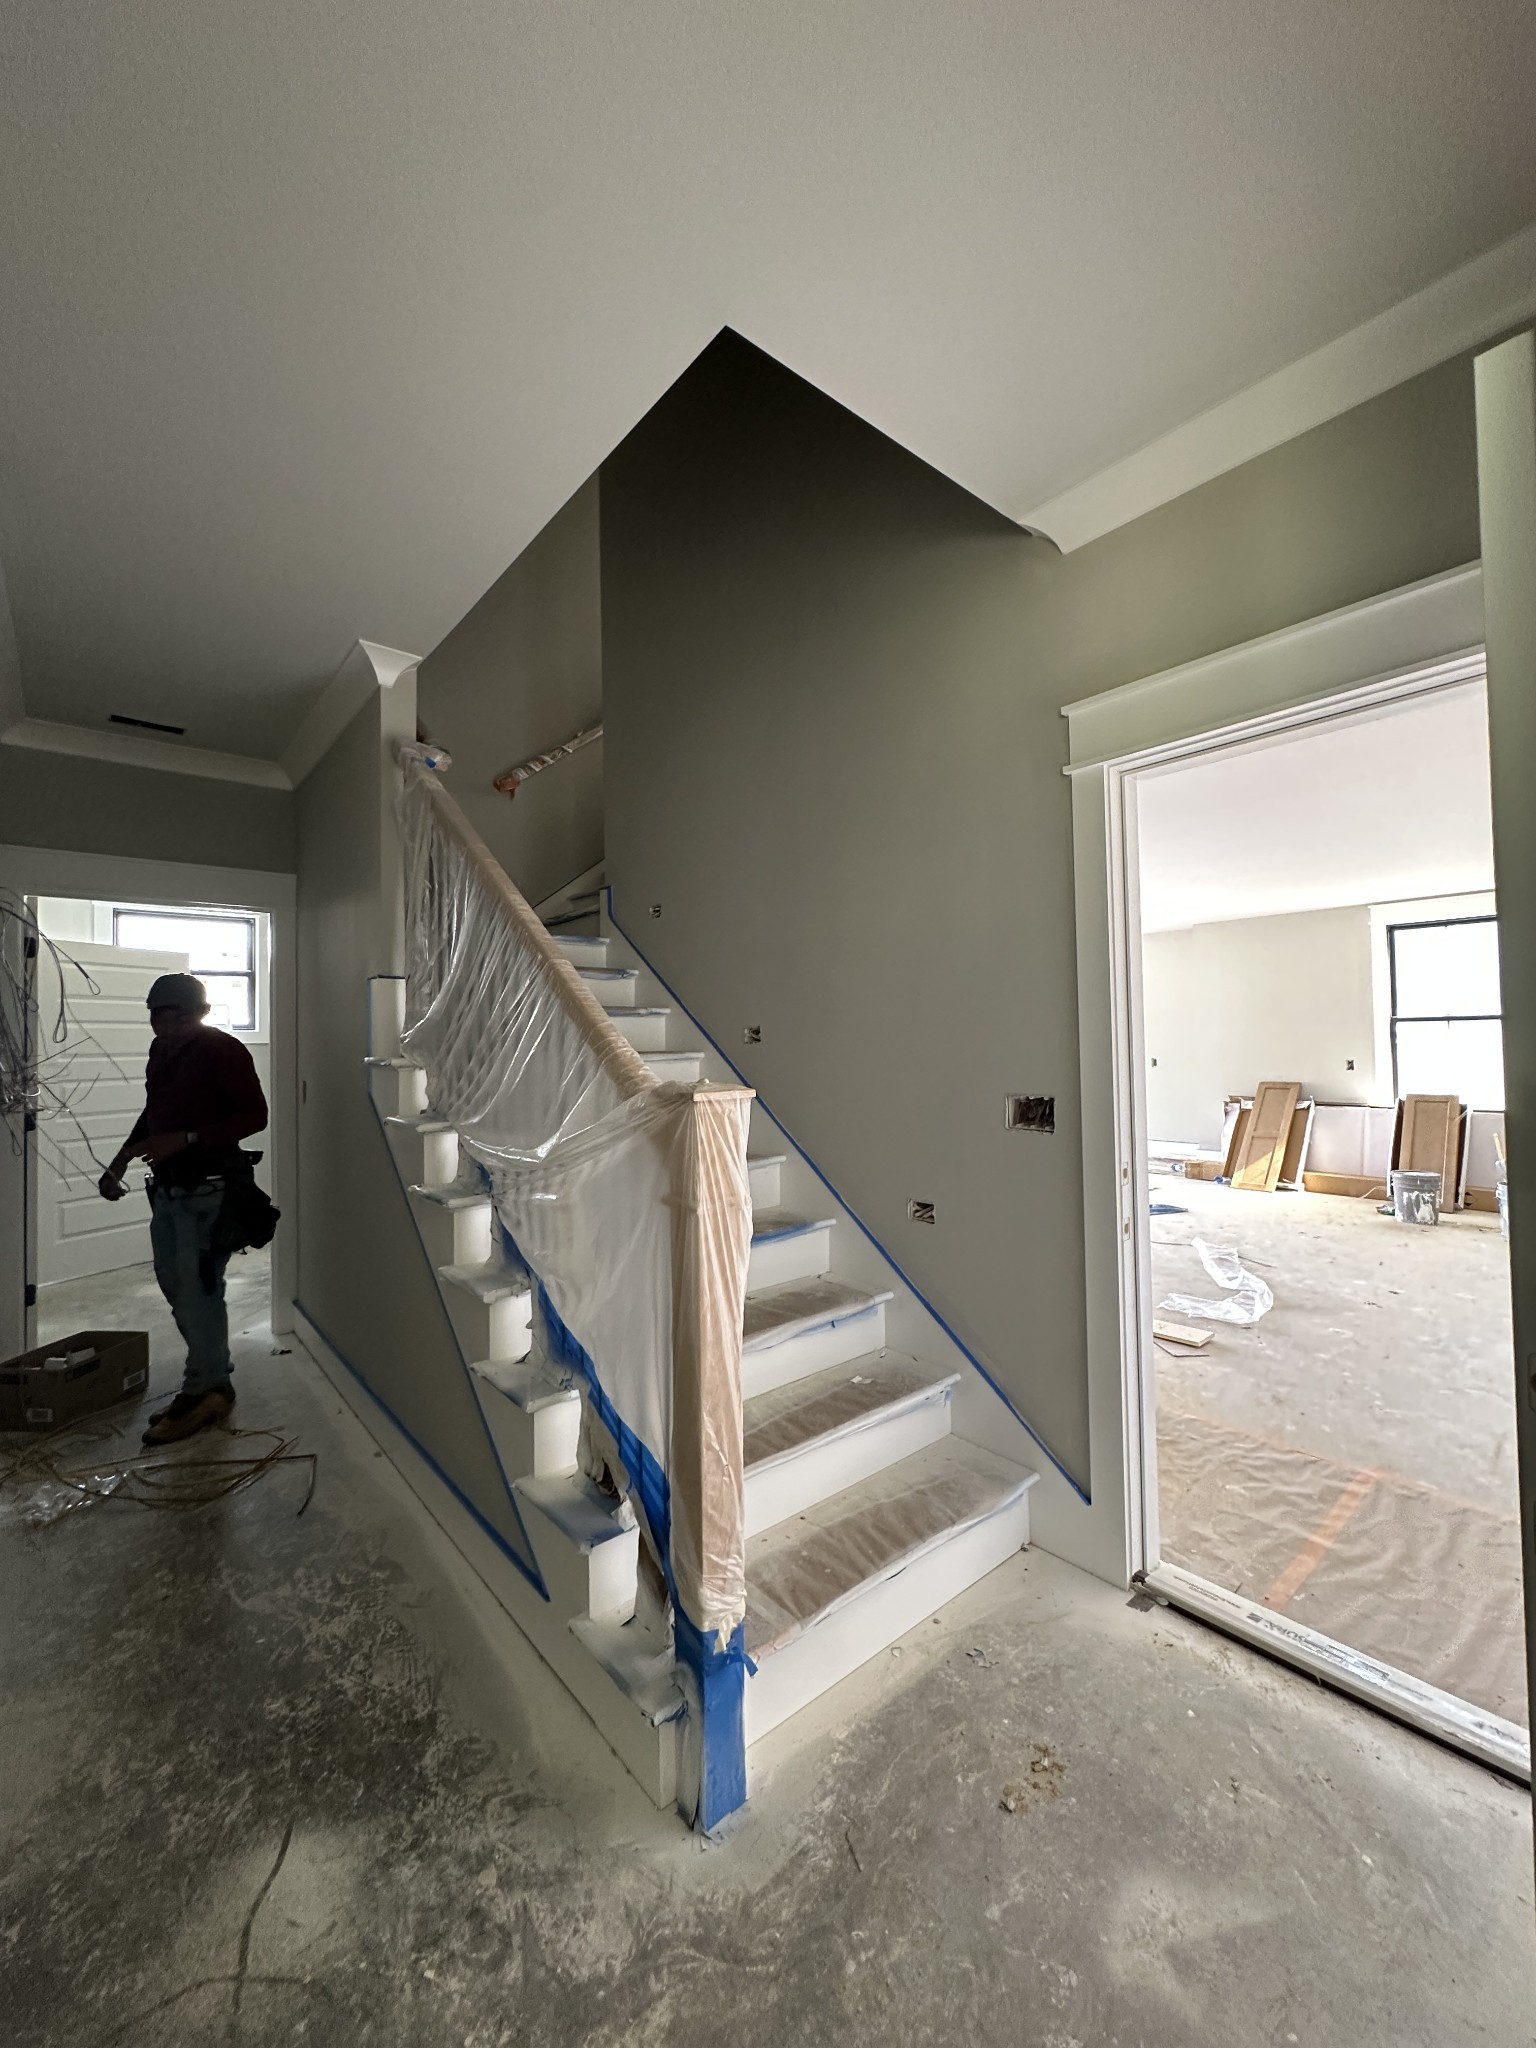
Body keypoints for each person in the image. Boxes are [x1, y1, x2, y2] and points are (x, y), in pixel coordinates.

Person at [98, 973, 269, 1445]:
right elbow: (154, 1112)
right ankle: (209, 1376)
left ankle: (209, 1388)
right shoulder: (163, 1053)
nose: (167, 1023)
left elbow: (255, 1116)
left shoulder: (223, 1050)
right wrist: (120, 1161)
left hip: (209, 1191)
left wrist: (188, 1139)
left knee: (198, 1291)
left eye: (179, 1014)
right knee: (179, 1287)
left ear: (203, 1013)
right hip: (170, 1191)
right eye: (158, 1013)